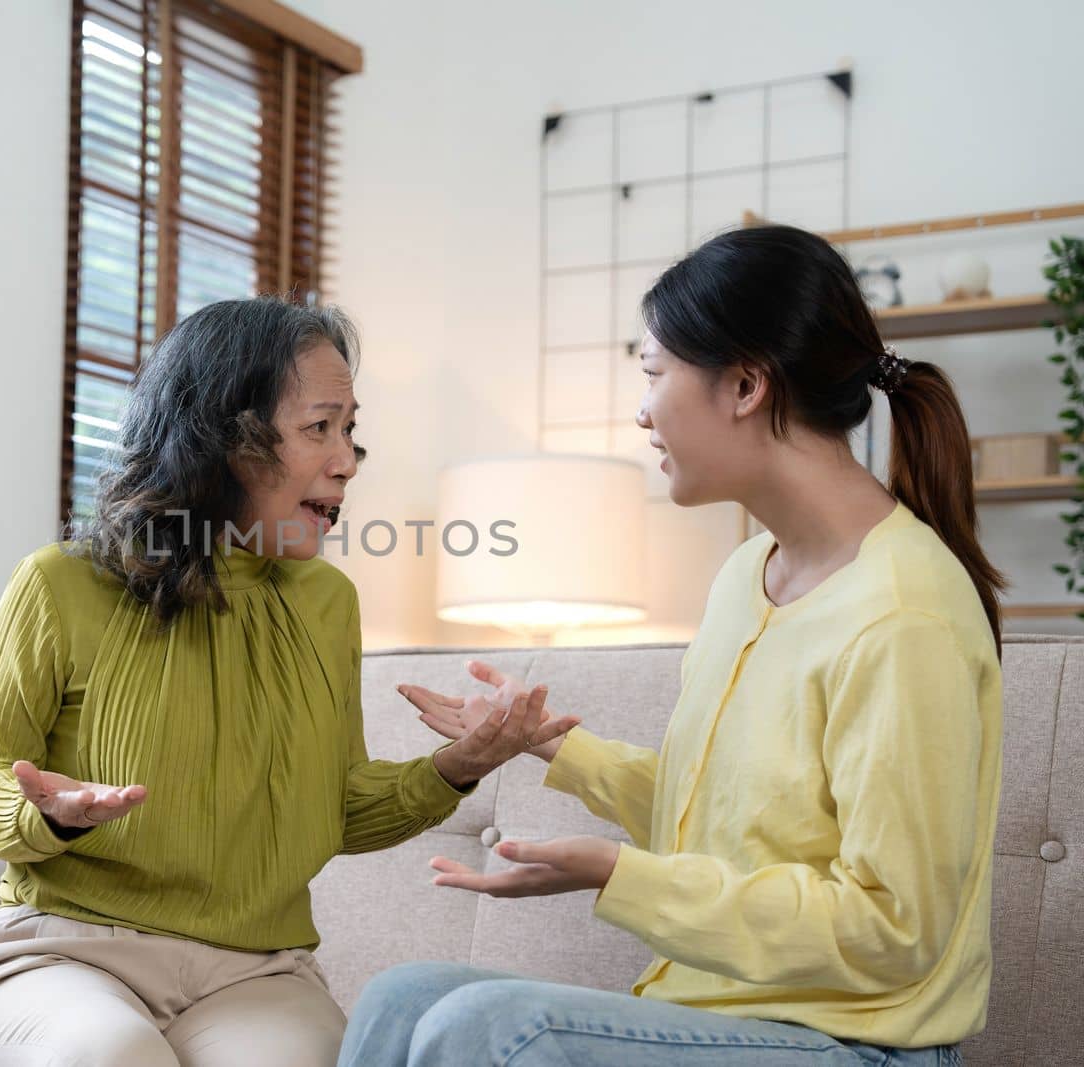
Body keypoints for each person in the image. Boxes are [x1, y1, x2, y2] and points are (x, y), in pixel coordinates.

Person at [344, 224, 1002, 1066]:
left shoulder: (904, 613)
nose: (642, 409)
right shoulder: (745, 577)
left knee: (492, 1029)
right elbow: (733, 824)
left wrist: (622, 874)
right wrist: (556, 747)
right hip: (718, 1019)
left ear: (745, 384)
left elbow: (894, 927)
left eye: (654, 373)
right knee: (401, 997)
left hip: (853, 1044)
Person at [0, 296, 579, 1066]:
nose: (347, 461)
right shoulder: (59, 583)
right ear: (221, 436)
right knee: (112, 1051)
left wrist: (455, 768)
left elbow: (332, 808)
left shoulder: (328, 602)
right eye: (319, 427)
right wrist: (53, 815)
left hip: (253, 968)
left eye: (350, 431)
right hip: (66, 948)